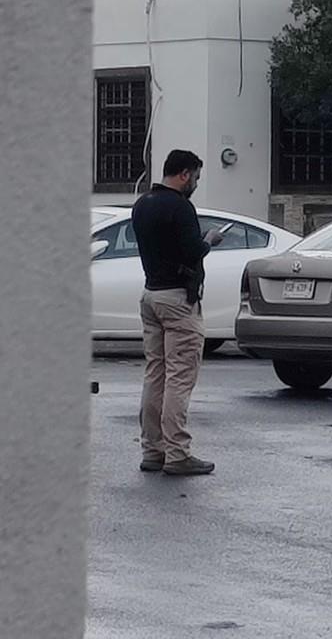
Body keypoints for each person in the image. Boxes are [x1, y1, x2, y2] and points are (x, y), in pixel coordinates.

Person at [130, 150, 224, 476]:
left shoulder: (143, 204)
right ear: (184, 174)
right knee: (179, 378)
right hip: (178, 301)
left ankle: (152, 450)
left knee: (155, 373)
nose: (195, 183)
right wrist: (210, 239)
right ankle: (178, 453)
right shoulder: (181, 207)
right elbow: (192, 250)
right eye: (196, 177)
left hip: (151, 294)